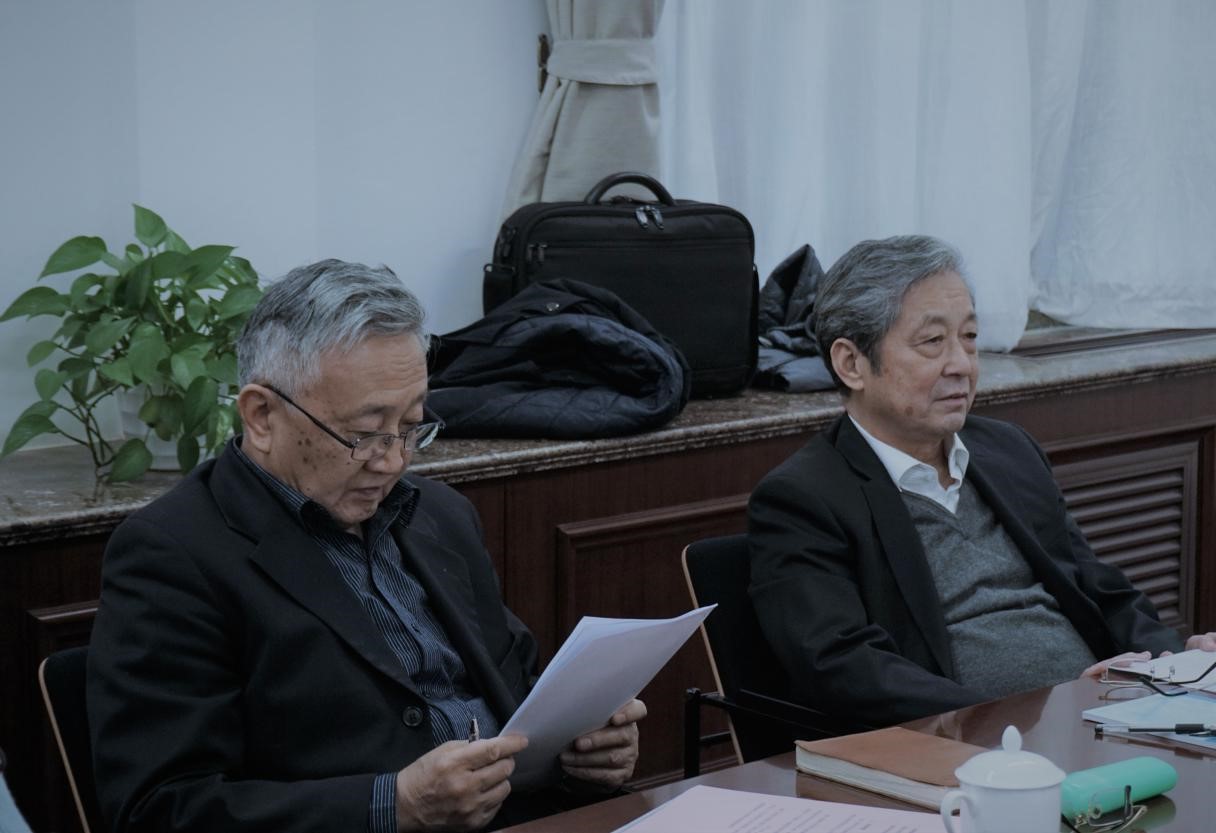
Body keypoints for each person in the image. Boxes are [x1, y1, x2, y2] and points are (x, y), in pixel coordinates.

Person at [87, 259, 646, 833]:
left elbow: (519, 691)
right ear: (261, 416)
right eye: (364, 434)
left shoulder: (440, 513)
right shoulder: (173, 555)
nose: (393, 461)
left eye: (412, 426)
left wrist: (580, 755)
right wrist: (395, 806)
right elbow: (160, 809)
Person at [748, 235, 1216, 729]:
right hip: (963, 746)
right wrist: (1017, 715)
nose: (962, 364)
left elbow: (1098, 588)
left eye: (969, 337)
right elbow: (844, 667)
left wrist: (1178, 665)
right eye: (933, 342)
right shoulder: (804, 498)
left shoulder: (1007, 450)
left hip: (1098, 715)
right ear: (852, 363)